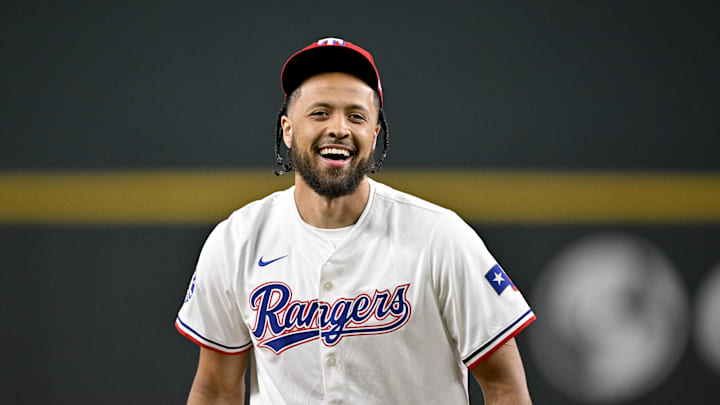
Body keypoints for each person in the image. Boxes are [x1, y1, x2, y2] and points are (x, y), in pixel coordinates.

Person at [175, 37, 535, 405]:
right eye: (320, 112)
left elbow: (505, 386)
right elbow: (217, 390)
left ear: (374, 134)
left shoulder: (439, 236)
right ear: (287, 129)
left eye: (356, 116)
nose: (339, 128)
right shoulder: (237, 240)